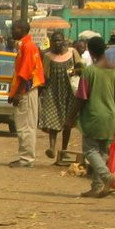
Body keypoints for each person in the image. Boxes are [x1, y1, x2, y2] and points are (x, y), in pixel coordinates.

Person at [65, 36, 115, 198]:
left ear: (90, 51)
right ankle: (97, 186)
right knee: (102, 151)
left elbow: (81, 97)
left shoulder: (90, 71)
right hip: (111, 116)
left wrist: (70, 117)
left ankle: (106, 176)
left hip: (93, 116)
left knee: (90, 150)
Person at [6, 19, 45, 167]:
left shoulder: (28, 47)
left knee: (26, 126)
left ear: (22, 30)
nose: (12, 31)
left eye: (14, 29)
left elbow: (25, 74)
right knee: (23, 124)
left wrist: (18, 93)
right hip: (25, 91)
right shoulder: (25, 46)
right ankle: (25, 156)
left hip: (26, 91)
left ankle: (27, 159)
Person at [39, 31, 80, 162]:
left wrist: (75, 71)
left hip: (69, 92)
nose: (57, 43)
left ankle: (64, 149)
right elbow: (45, 76)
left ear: (64, 41)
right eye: (55, 41)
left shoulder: (72, 53)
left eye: (59, 40)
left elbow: (82, 68)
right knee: (53, 119)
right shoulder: (48, 56)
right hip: (53, 91)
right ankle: (52, 147)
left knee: (67, 122)